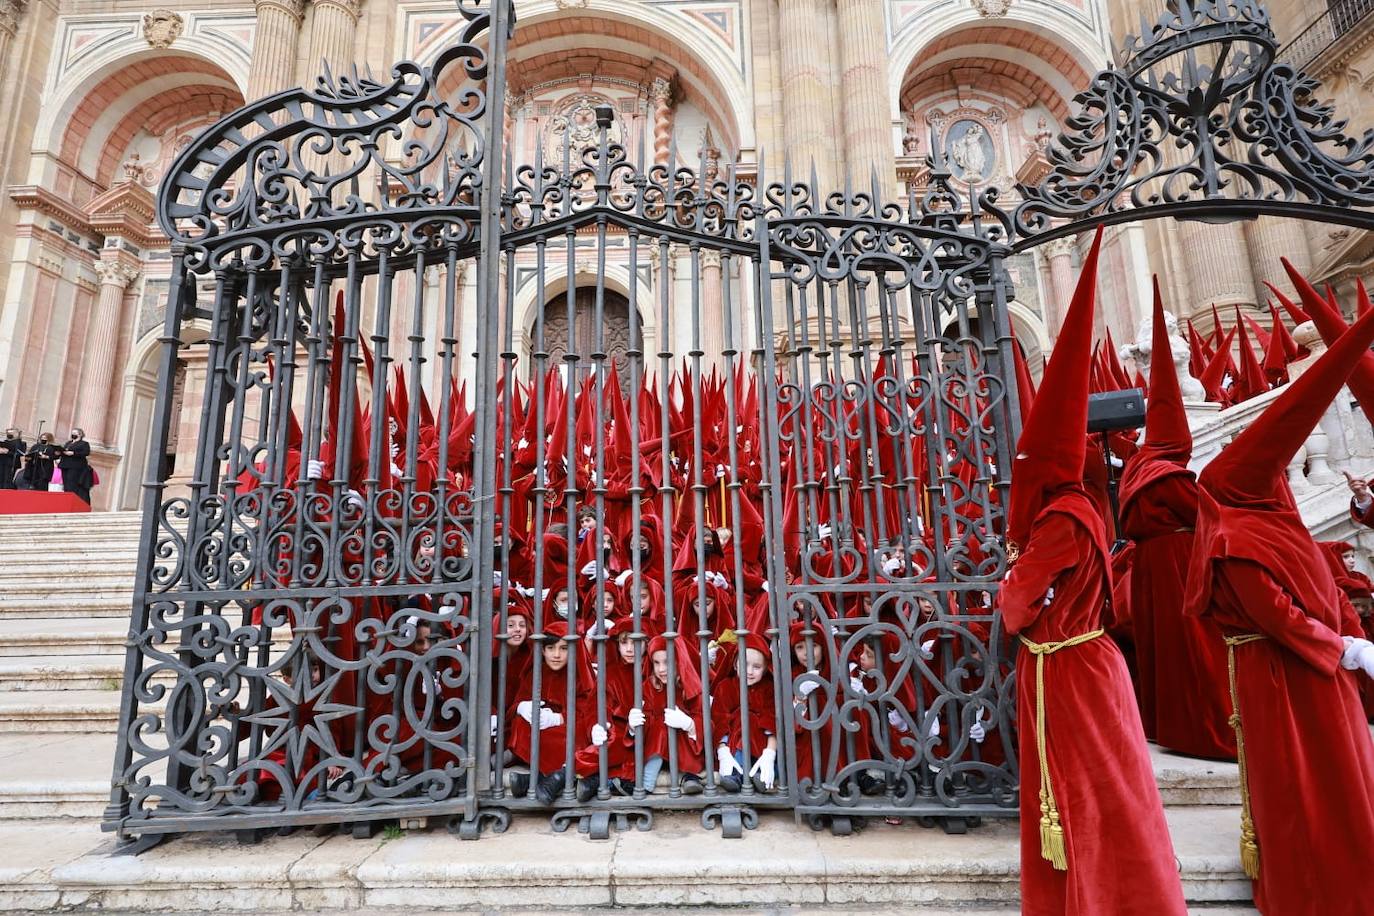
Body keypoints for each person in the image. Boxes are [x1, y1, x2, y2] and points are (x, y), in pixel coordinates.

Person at [1000, 227, 1186, 915]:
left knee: (1087, 790)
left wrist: (1010, 578)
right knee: (1112, 788)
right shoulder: (1086, 507)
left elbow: (1016, 609)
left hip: (1070, 673)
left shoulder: (1057, 522)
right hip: (1092, 666)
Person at [1184, 290, 1374, 916]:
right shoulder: (1247, 531)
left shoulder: (1254, 524)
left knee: (1323, 784)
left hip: (1298, 675)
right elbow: (1275, 611)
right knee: (1309, 785)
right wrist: (1343, 645)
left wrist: (1343, 643)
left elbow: (1299, 597)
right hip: (1292, 673)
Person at [1116, 281, 1234, 760]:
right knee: (1194, 650)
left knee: (1162, 650)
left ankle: (1165, 722)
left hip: (1150, 569)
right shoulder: (1172, 477)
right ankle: (1204, 729)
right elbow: (1209, 520)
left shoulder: (1139, 469)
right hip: (1182, 565)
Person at [58, 428, 94, 503]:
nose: (72, 434)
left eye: (75, 433)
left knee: (72, 483)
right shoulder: (68, 443)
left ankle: (71, 500)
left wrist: (73, 453)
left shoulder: (84, 443)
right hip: (65, 465)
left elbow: (86, 452)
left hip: (75, 466)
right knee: (66, 483)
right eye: (72, 433)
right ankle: (66, 499)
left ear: (80, 434)